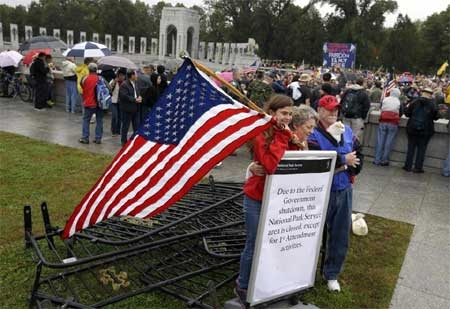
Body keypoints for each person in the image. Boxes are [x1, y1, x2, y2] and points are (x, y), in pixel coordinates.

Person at [235, 94, 298, 308]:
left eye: (290, 113)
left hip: (278, 199)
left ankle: (266, 281)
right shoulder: (263, 133)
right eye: (283, 113)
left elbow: (297, 160)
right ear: (272, 113)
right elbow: (271, 165)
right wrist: (283, 136)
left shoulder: (287, 133)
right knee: (254, 242)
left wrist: (294, 140)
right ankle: (242, 285)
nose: (287, 117)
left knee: (272, 244)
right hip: (256, 198)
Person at [308, 95, 363, 293]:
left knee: (340, 235)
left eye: (336, 109)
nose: (334, 112)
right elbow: (315, 162)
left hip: (344, 189)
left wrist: (350, 168)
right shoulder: (312, 133)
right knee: (311, 233)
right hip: (319, 192)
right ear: (319, 111)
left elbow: (358, 154)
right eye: (329, 109)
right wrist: (342, 161)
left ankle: (331, 274)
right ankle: (304, 272)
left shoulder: (347, 131)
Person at [402, 87, 438, 173]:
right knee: (422, 149)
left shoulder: (414, 101)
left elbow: (407, 114)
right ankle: (418, 167)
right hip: (426, 130)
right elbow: (436, 117)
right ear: (430, 94)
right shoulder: (432, 104)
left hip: (412, 128)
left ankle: (408, 166)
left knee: (411, 148)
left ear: (422, 93)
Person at [373, 88, 402, 166]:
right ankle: (384, 160)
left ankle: (377, 159)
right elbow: (401, 112)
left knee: (380, 141)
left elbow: (381, 108)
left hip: (383, 121)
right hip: (393, 123)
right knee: (389, 142)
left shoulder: (385, 99)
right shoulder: (399, 102)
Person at [340, 77, 371, 143]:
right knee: (355, 137)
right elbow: (367, 106)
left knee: (345, 135)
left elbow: (342, 101)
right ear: (362, 83)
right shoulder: (364, 93)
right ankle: (353, 151)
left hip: (346, 116)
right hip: (357, 118)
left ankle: (345, 150)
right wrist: (363, 117)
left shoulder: (348, 90)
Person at [79, 62, 103, 144]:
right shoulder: (100, 79)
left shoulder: (84, 78)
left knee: (86, 120)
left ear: (88, 69)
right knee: (99, 120)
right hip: (99, 103)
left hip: (88, 102)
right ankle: (98, 138)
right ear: (96, 70)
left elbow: (82, 86)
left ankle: (85, 138)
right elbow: (108, 88)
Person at [119, 69, 142, 146]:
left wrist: (139, 97)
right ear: (132, 76)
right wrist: (135, 99)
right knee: (125, 126)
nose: (137, 76)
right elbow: (124, 96)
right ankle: (123, 141)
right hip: (127, 109)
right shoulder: (124, 85)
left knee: (136, 125)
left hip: (136, 108)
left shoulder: (135, 83)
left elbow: (137, 92)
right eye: (135, 74)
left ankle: (135, 140)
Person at [109, 69, 126, 137]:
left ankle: (118, 131)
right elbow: (109, 89)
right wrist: (113, 83)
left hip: (121, 102)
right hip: (114, 101)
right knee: (114, 116)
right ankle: (113, 130)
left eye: (123, 76)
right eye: (120, 75)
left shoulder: (125, 83)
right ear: (118, 75)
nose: (121, 77)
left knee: (120, 117)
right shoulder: (113, 81)